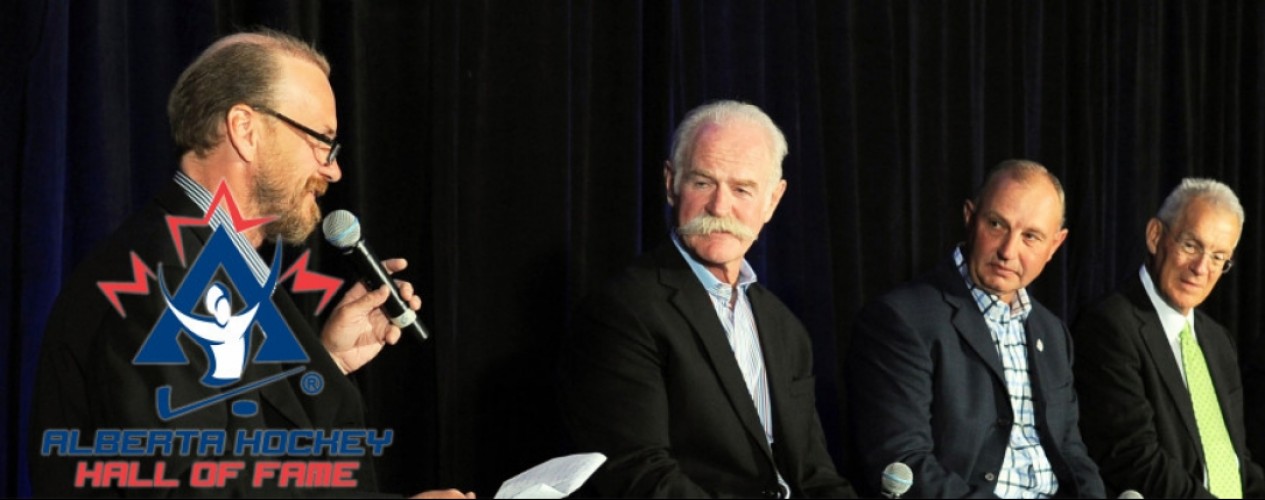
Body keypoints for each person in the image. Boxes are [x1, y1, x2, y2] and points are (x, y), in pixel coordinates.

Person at [29, 30, 471, 498]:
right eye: (322, 140)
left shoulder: (219, 262)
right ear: (245, 129)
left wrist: (327, 361)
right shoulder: (167, 275)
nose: (333, 169)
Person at [559, 100, 856, 498]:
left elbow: (814, 474)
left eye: (742, 189)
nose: (720, 207)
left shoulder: (785, 328)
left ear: (772, 201)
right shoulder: (624, 310)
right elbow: (638, 471)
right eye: (703, 182)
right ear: (670, 182)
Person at [847, 159, 1104, 498]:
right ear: (970, 217)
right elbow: (903, 462)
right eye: (996, 225)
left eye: (1031, 237)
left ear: (1054, 245)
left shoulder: (1052, 332)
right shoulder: (902, 319)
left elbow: (1071, 450)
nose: (1008, 251)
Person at [1072, 178, 1265, 498]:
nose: (1201, 268)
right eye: (1191, 245)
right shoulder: (1110, 325)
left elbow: (1233, 461)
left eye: (1218, 257)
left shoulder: (1218, 341)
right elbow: (1134, 458)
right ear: (1155, 235)